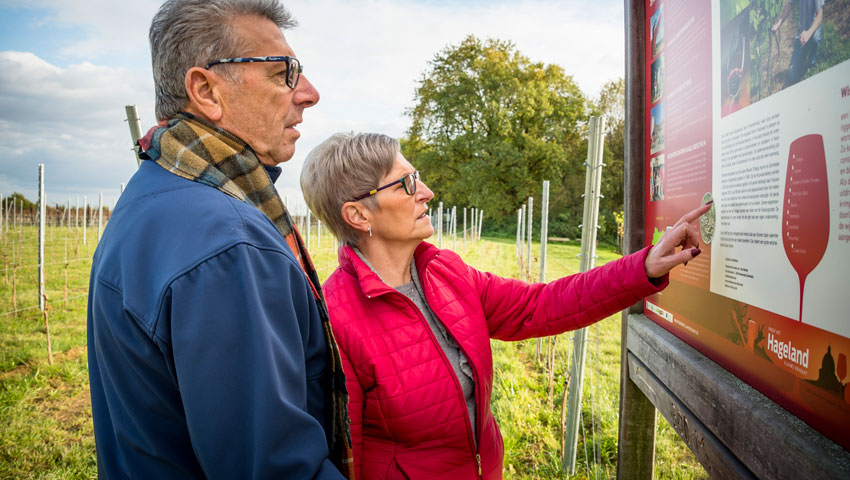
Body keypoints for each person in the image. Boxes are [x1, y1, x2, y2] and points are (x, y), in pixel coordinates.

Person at [300, 132, 710, 479]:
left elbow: (540, 305)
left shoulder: (447, 272)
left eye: (418, 178)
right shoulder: (336, 320)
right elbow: (345, 456)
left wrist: (644, 267)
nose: (426, 192)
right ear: (357, 214)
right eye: (406, 184)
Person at [87, 1, 352, 478]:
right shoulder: (229, 244)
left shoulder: (153, 195)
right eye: (282, 74)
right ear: (206, 89)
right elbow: (273, 468)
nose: (308, 94)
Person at [773, 0, 824, 87]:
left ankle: (811, 62)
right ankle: (804, 53)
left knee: (815, 39)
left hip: (813, 28)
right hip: (801, 31)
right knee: (792, 74)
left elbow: (819, 16)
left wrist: (808, 33)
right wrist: (778, 24)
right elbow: (789, 5)